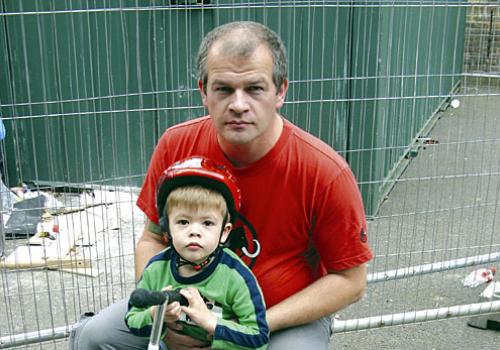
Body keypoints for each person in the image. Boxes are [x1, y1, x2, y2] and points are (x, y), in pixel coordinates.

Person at [71, 21, 373, 350]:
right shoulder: (177, 145)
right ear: (203, 91)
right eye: (224, 89)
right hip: (184, 305)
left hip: (280, 317)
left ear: (281, 91)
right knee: (94, 337)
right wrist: (165, 313)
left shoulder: (325, 174)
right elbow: (153, 238)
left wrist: (231, 330)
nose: (239, 104)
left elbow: (350, 282)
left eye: (255, 89)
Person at [125, 156, 268, 349]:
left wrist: (211, 323)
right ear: (167, 228)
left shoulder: (236, 276)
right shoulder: (157, 269)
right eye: (183, 222)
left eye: (207, 223)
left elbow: (258, 337)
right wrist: (156, 315)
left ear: (224, 232)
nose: (194, 231)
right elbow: (132, 320)